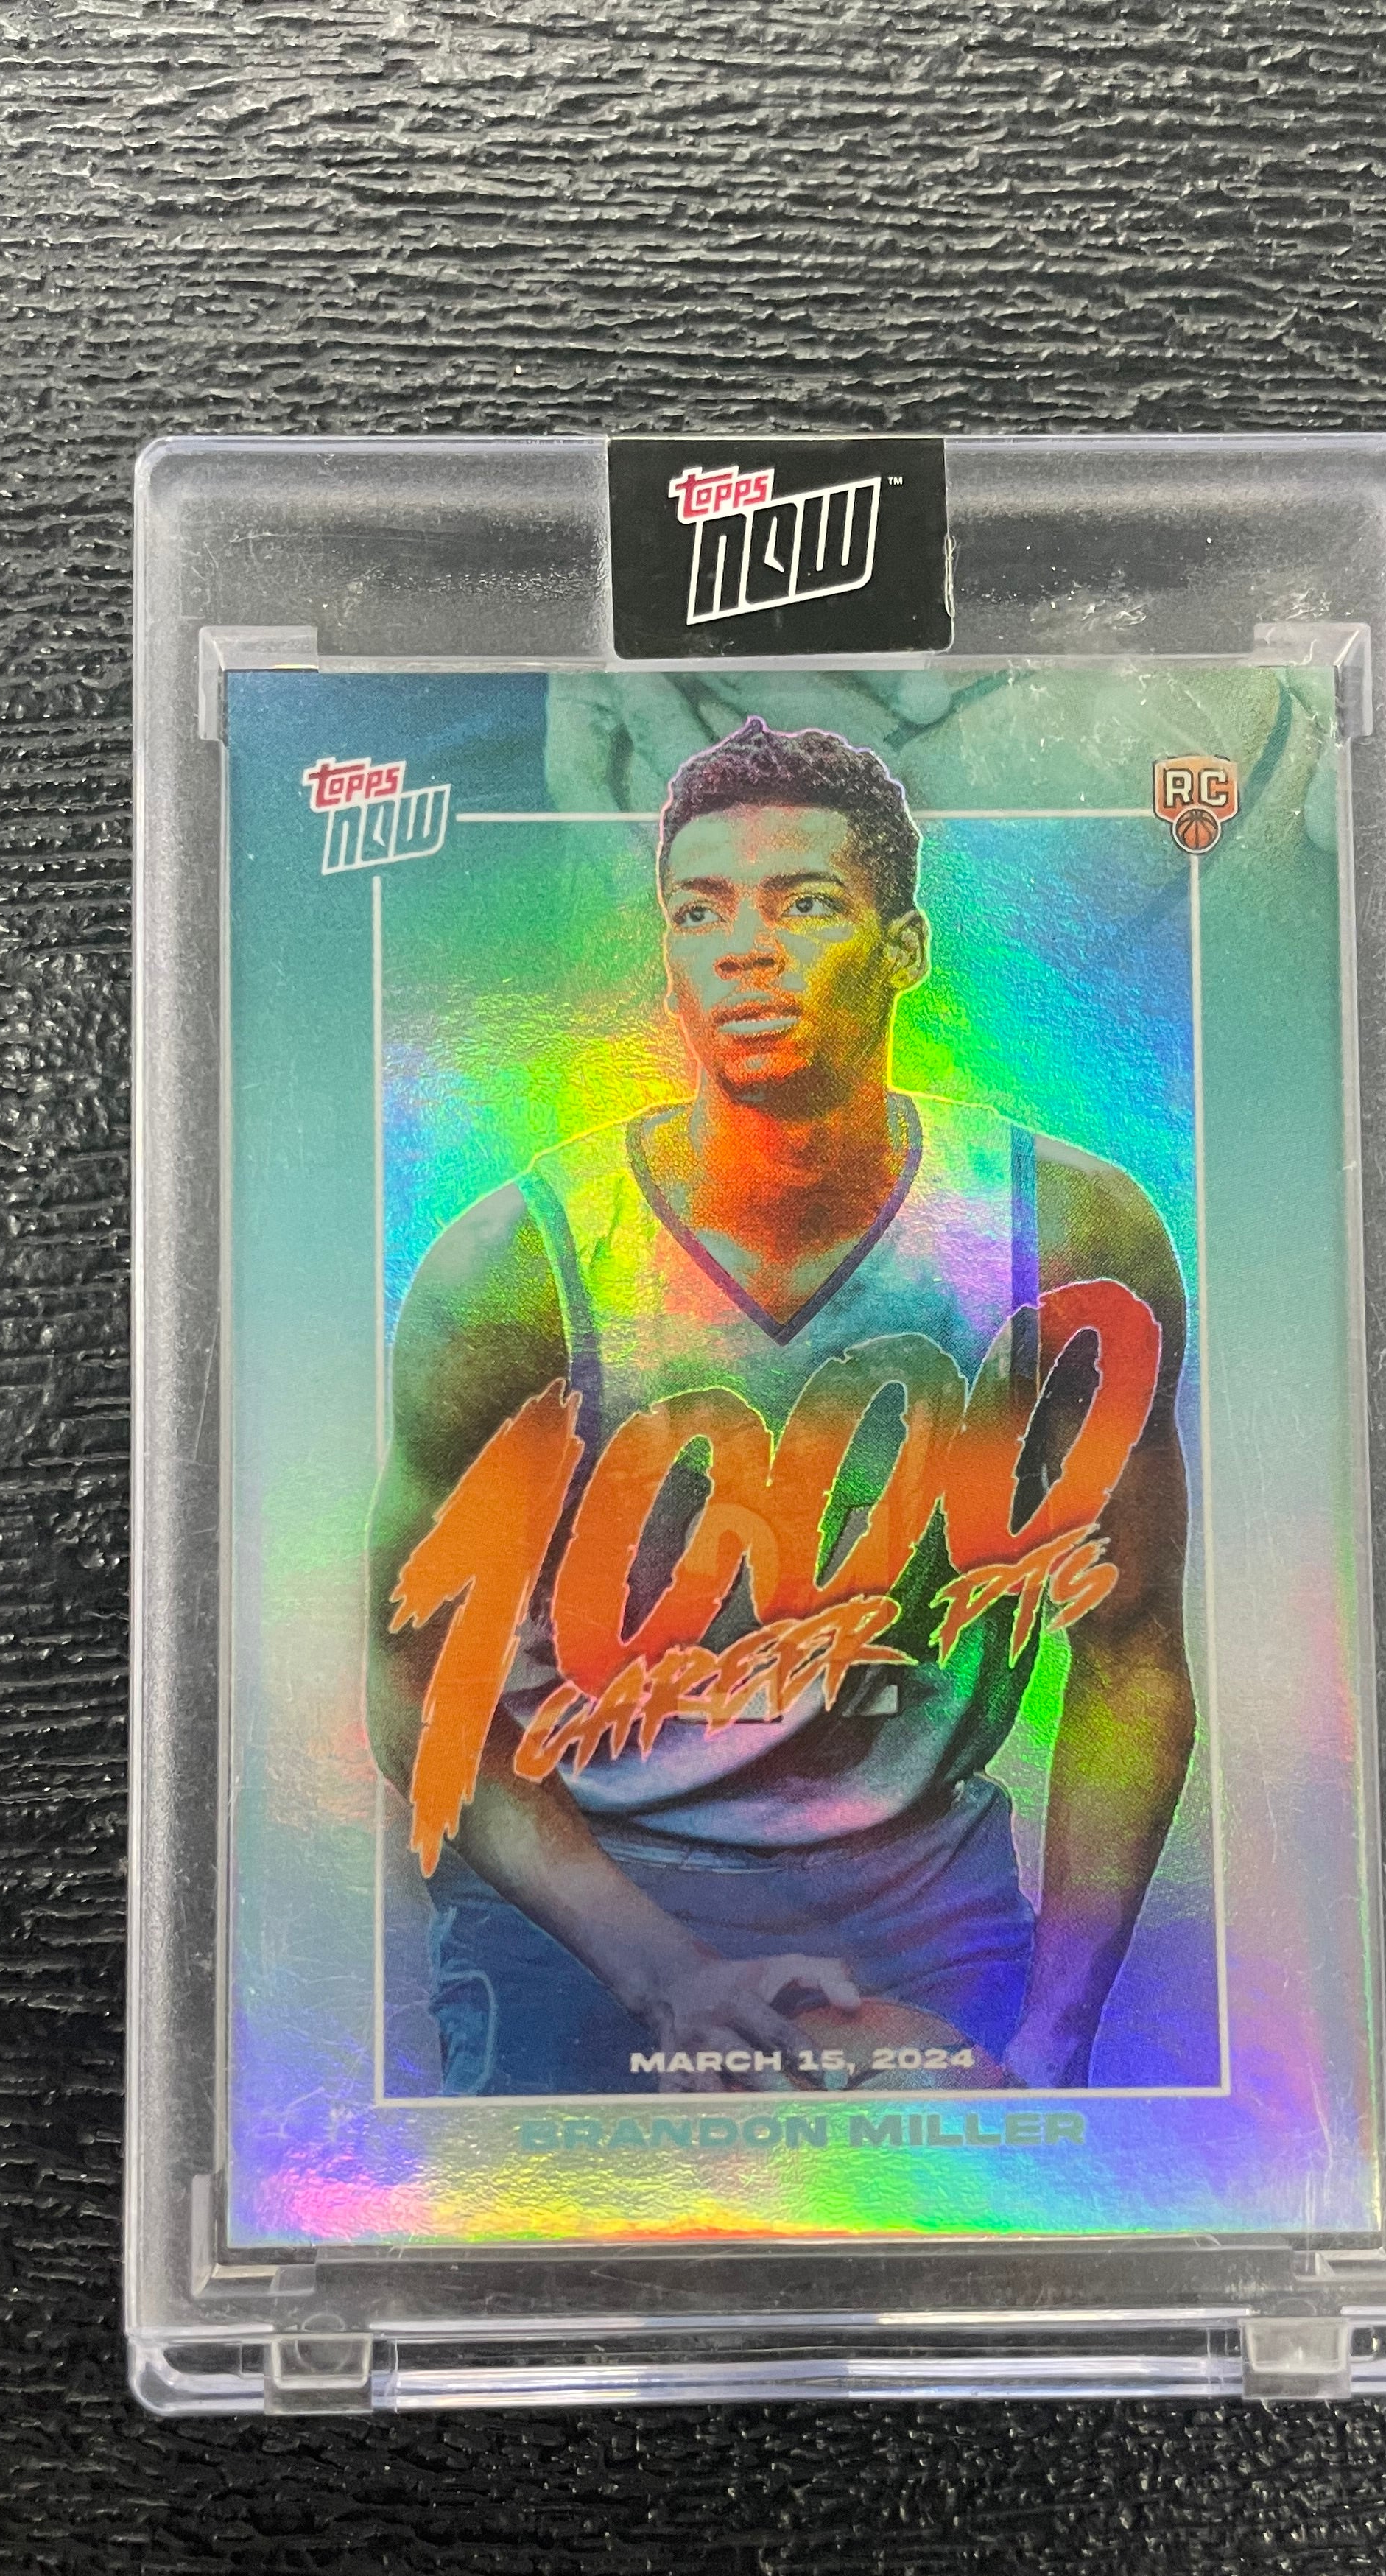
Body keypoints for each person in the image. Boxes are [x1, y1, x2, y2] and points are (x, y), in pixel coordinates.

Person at [367, 717, 1193, 2096]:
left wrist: (1056, 2037)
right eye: (701, 912)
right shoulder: (514, 1268)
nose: (745, 950)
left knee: (968, 2223)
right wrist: (657, 1966)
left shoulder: (1061, 1231)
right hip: (586, 1894)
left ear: (904, 949)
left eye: (805, 904)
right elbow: (415, 1685)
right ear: (670, 962)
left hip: (917, 1884)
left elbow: (1131, 1653)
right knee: (566, 2233)